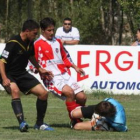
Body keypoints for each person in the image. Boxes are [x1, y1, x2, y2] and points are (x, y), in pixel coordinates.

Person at [0, 19, 54, 132]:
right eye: (34, 33)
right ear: (27, 31)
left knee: (43, 93)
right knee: (15, 91)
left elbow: (31, 56)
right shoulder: (13, 42)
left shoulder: (30, 41)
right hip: (8, 73)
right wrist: (4, 78)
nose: (36, 35)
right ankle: (22, 123)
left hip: (21, 73)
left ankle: (39, 124)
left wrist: (40, 69)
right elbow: (1, 61)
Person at [34, 17, 87, 126]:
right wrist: (40, 71)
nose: (52, 32)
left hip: (64, 74)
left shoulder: (57, 41)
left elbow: (65, 56)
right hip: (52, 77)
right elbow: (32, 62)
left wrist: (75, 67)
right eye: (49, 30)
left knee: (82, 97)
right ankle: (75, 121)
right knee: (70, 93)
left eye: (53, 30)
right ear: (42, 30)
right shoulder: (37, 44)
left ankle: (76, 118)